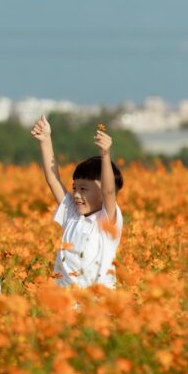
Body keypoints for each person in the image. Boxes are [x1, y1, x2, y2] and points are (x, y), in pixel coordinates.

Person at [30, 116, 123, 288]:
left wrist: (105, 154)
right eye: (74, 188)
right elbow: (53, 179)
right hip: (66, 302)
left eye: (84, 189)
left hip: (97, 302)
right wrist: (45, 140)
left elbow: (109, 192)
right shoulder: (72, 214)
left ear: (102, 194)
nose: (77, 195)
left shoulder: (105, 220)